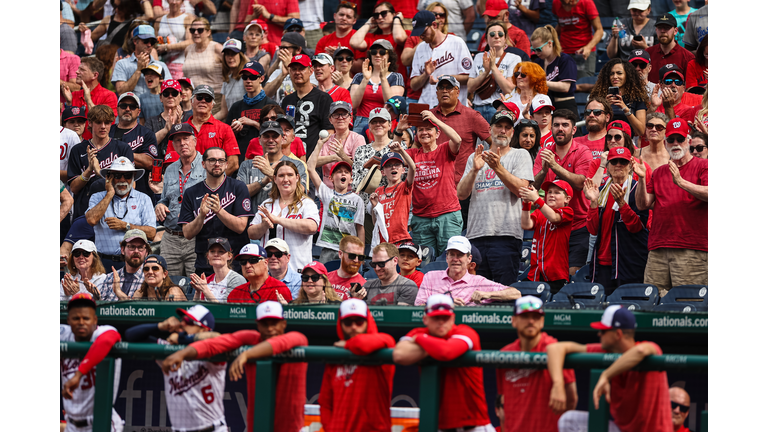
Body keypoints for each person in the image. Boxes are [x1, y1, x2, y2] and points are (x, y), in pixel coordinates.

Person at [161, 301, 308, 432]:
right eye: (265, 323)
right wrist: (182, 354)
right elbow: (215, 343)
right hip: (257, 424)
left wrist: (246, 354)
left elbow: (280, 343)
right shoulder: (251, 338)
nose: (270, 329)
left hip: (290, 426)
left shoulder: (297, 339)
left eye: (274, 323)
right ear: (258, 325)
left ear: (283, 323)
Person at [548, 305, 673, 431]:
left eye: (603, 331)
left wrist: (606, 375)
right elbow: (555, 348)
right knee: (568, 420)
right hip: (622, 430)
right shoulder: (606, 351)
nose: (599, 334)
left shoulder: (651, 349)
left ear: (618, 334)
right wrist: (558, 384)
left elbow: (641, 351)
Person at [393, 293, 493, 431]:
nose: (441, 321)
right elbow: (399, 354)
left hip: (474, 425)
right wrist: (436, 345)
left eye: (445, 317)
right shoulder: (420, 332)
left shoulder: (465, 331)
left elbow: (446, 352)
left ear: (453, 318)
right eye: (436, 317)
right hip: (440, 425)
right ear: (425, 319)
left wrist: (421, 339)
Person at [457, 110, 533, 286]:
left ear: (513, 132)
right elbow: (461, 194)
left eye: (507, 127)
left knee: (504, 293)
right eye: (499, 126)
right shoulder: (474, 157)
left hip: (506, 235)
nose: (503, 131)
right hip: (476, 235)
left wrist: (498, 167)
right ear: (490, 129)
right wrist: (474, 170)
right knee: (477, 295)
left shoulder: (520, 154)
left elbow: (522, 189)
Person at [124, 305, 225, 431]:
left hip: (212, 428)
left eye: (188, 321)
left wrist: (182, 338)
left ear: (204, 330)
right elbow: (130, 335)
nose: (182, 323)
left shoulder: (211, 352)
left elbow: (218, 337)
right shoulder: (170, 348)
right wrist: (160, 326)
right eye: (182, 319)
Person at [635, 119, 707, 296]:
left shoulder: (704, 165)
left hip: (691, 248)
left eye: (679, 139)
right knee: (650, 302)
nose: (675, 144)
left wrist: (681, 182)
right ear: (665, 142)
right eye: (671, 139)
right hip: (658, 248)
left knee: (688, 304)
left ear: (689, 141)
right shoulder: (659, 171)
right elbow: (642, 205)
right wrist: (642, 179)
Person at [497, 296, 578, 432]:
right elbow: (503, 400)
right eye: (525, 316)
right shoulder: (505, 354)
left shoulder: (555, 350)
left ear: (542, 321)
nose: (531, 321)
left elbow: (571, 400)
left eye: (536, 316)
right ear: (514, 321)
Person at [320, 299, 396, 432]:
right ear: (341, 324)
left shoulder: (381, 347)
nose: (354, 327)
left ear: (368, 322)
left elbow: (386, 341)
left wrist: (349, 344)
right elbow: (325, 403)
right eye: (348, 322)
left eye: (359, 322)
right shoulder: (335, 355)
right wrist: (331, 428)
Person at [533, 109, 592, 276]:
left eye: (565, 125)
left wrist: (555, 166)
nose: (560, 129)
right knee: (552, 274)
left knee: (574, 274)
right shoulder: (544, 152)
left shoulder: (582, 151)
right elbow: (534, 187)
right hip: (552, 226)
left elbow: (581, 183)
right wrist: (544, 171)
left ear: (573, 130)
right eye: (556, 125)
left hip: (579, 225)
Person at [584, 148, 650, 293]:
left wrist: (622, 204)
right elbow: (593, 229)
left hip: (629, 263)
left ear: (630, 165)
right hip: (602, 264)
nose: (618, 165)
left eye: (623, 161)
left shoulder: (637, 190)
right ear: (607, 166)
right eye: (614, 161)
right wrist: (594, 203)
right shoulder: (600, 191)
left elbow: (637, 227)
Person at [179, 146, 252, 275]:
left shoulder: (238, 187)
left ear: (226, 164)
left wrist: (219, 211)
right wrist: (201, 216)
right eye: (212, 160)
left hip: (235, 261)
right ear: (203, 164)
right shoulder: (191, 192)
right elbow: (187, 233)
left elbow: (241, 226)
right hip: (205, 262)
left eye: (221, 160)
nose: (217, 164)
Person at [402, 107, 464, 256]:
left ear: (438, 134)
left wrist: (435, 120)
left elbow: (457, 140)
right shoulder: (412, 153)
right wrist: (399, 131)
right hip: (421, 218)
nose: (424, 132)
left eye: (429, 129)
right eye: (421, 129)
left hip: (447, 215)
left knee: (450, 259)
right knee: (424, 262)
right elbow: (394, 154)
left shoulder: (444, 149)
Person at [60, 293, 124, 432]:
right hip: (71, 425)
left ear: (95, 320)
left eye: (86, 318)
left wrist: (78, 375)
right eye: (76, 318)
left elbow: (107, 340)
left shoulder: (104, 332)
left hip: (101, 422)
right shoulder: (64, 334)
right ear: (68, 320)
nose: (81, 322)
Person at [84, 156, 156, 271]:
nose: (122, 179)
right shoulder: (97, 197)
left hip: (133, 262)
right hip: (103, 261)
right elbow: (91, 220)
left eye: (127, 176)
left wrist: (126, 226)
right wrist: (109, 194)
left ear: (133, 177)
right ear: (109, 178)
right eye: (117, 176)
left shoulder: (144, 199)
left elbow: (152, 233)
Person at [67, 105, 136, 221]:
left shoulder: (123, 148)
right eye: (99, 122)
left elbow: (132, 185)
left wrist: (101, 172)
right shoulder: (78, 150)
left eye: (107, 122)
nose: (103, 126)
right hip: (85, 210)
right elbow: (73, 188)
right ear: (90, 123)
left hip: (116, 212)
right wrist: (89, 171)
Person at [248, 160, 320, 272]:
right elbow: (251, 233)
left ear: (297, 178)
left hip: (298, 270)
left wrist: (277, 220)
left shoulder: (307, 203)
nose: (286, 179)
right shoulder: (267, 204)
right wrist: (264, 225)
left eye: (290, 175)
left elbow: (311, 227)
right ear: (275, 179)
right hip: (268, 272)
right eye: (281, 176)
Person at [155, 123, 205, 276]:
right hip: (170, 237)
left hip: (196, 237)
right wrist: (159, 205)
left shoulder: (207, 165)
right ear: (173, 145)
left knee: (195, 285)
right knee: (168, 286)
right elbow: (165, 199)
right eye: (177, 140)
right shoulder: (170, 169)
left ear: (195, 140)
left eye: (186, 138)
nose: (182, 143)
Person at [415, 236, 521, 305]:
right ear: (447, 257)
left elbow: (516, 293)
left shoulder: (479, 282)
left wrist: (487, 294)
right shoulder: (430, 276)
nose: (455, 259)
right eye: (452, 254)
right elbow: (418, 305)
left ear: (469, 259)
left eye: (460, 255)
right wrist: (446, 303)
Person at [307, 140, 366, 262]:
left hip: (350, 249)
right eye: (339, 172)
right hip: (328, 248)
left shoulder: (357, 200)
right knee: (325, 279)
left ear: (350, 179)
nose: (342, 174)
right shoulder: (326, 193)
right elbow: (310, 168)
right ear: (331, 178)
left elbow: (360, 228)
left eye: (346, 172)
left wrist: (360, 252)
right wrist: (319, 143)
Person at [409, 10, 473, 108]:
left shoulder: (457, 42)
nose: (421, 36)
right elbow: (413, 85)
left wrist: (445, 79)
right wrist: (425, 74)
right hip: (428, 107)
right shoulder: (420, 48)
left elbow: (470, 77)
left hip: (453, 108)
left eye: (423, 32)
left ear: (434, 25)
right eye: (419, 33)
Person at [518, 180, 573, 293]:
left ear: (567, 199)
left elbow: (554, 217)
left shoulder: (568, 211)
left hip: (556, 274)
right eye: (550, 192)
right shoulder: (539, 212)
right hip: (535, 273)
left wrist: (537, 199)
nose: (552, 195)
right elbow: (526, 224)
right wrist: (526, 203)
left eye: (557, 192)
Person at [238, 121, 305, 212]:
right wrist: (264, 181)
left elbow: (301, 192)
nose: (270, 140)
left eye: (275, 136)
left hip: (284, 222)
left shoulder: (296, 164)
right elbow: (239, 193)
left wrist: (271, 174)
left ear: (282, 139)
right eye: (266, 136)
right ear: (259, 140)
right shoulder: (247, 165)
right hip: (253, 221)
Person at [281, 53, 335, 155]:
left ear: (311, 71)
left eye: (301, 69)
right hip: (290, 160)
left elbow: (329, 132)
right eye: (293, 69)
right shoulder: (287, 100)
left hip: (314, 159)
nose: (297, 72)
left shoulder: (323, 98)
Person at [468, 22, 520, 124]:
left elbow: (508, 89)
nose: (496, 36)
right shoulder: (479, 57)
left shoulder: (514, 58)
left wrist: (493, 67)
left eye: (500, 34)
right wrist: (486, 72)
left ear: (505, 38)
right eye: (492, 34)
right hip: (478, 108)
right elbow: (470, 87)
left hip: (500, 108)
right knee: (478, 140)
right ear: (486, 39)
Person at [110, 92, 160, 199]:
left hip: (140, 191)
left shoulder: (147, 133)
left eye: (132, 106)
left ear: (139, 112)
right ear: (117, 109)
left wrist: (122, 152)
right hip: (110, 190)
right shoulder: (108, 131)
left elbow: (149, 162)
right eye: (123, 106)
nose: (127, 109)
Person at [350, 40, 405, 134]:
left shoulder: (396, 77)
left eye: (382, 52)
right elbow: (353, 105)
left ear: (389, 55)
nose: (378, 55)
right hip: (361, 122)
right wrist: (365, 80)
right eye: (374, 52)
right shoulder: (359, 76)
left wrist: (383, 78)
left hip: (383, 122)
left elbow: (392, 106)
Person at [226, 61, 278, 160]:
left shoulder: (271, 105)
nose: (248, 81)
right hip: (241, 158)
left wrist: (253, 123)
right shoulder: (236, 106)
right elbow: (226, 137)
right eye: (245, 77)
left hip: (264, 158)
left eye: (253, 77)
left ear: (261, 79)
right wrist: (233, 131)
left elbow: (277, 134)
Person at [401, 2, 450, 104]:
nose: (437, 17)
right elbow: (405, 60)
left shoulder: (452, 39)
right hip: (416, 95)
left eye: (441, 15)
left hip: (440, 96)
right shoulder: (415, 38)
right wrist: (424, 38)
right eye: (434, 14)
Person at [186, 85, 240, 175]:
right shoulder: (180, 129)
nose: (203, 101)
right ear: (191, 101)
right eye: (199, 97)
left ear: (212, 105)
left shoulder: (225, 129)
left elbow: (233, 163)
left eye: (208, 99)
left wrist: (213, 181)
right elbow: (171, 162)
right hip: (185, 184)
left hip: (215, 185)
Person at [369, 143, 416, 246]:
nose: (393, 167)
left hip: (401, 238)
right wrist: (374, 206)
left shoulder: (405, 187)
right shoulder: (378, 191)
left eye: (397, 165)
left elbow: (413, 167)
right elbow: (375, 222)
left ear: (403, 170)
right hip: (383, 240)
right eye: (389, 165)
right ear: (383, 172)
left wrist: (401, 151)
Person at [61, 57, 118, 141]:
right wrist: (69, 104)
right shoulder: (74, 95)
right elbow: (64, 126)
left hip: (97, 146)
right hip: (75, 145)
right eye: (78, 69)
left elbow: (102, 123)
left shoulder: (109, 96)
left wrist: (88, 99)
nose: (77, 72)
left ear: (95, 75)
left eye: (82, 70)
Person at [590, 59, 649, 135]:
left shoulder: (637, 98)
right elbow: (592, 127)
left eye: (619, 73)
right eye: (611, 74)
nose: (615, 76)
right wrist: (604, 107)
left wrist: (626, 109)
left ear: (627, 75)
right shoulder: (599, 98)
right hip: (604, 139)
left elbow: (641, 131)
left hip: (627, 141)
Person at [530, 26, 579, 117]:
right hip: (545, 107)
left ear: (549, 43)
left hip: (565, 106)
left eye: (538, 49)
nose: (536, 53)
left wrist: (541, 82)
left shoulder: (565, 60)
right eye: (533, 50)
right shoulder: (538, 62)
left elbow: (565, 87)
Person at [112, 25, 172, 96]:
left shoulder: (161, 66)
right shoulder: (122, 64)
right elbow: (121, 92)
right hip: (133, 106)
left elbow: (169, 91)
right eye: (146, 41)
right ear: (135, 41)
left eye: (152, 42)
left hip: (155, 105)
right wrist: (138, 70)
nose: (149, 45)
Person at [318, 101, 365, 190]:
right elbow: (313, 162)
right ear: (330, 120)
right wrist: (335, 157)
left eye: (344, 114)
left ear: (350, 118)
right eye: (336, 114)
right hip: (328, 192)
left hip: (350, 192)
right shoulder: (326, 139)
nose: (340, 118)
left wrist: (342, 155)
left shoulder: (358, 138)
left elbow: (359, 169)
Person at [588, 120, 651, 186]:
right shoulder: (597, 163)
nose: (612, 141)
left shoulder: (640, 166)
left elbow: (647, 194)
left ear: (626, 140)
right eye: (609, 137)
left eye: (617, 137)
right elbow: (590, 192)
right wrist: (602, 166)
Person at [551, 0, 603, 78]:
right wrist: (549, 39)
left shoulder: (586, 2)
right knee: (563, 83)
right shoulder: (556, 3)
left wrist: (588, 47)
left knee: (583, 83)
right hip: (563, 51)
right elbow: (561, 23)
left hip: (583, 52)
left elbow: (599, 30)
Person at [182, 18, 225, 112]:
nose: (196, 33)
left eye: (200, 30)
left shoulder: (216, 48)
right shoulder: (188, 49)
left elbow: (232, 67)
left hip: (213, 98)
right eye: (192, 30)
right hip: (193, 99)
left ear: (208, 32)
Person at [227, 244, 294, 303]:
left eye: (253, 260)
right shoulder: (236, 293)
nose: (247, 265)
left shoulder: (279, 289)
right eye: (243, 262)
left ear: (266, 262)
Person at [97, 229, 149, 301]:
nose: (136, 251)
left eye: (140, 247)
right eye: (132, 247)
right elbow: (101, 309)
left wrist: (118, 291)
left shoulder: (150, 278)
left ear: (146, 252)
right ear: (122, 250)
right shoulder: (110, 278)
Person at [145, 79, 193, 156]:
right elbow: (147, 144)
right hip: (159, 164)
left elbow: (193, 143)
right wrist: (165, 130)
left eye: (174, 93)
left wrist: (179, 125)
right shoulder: (151, 120)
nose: (170, 96)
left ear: (180, 97)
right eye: (166, 93)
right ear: (161, 98)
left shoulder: (190, 118)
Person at [646, 13, 695, 84]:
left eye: (667, 27)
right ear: (656, 30)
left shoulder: (688, 57)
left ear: (676, 31)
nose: (662, 31)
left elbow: (689, 86)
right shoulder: (648, 53)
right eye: (660, 28)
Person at [315, 2, 365, 69]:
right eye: (341, 15)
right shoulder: (323, 40)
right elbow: (316, 66)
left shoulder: (359, 39)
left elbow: (361, 67)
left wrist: (339, 56)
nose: (344, 18)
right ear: (335, 16)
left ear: (354, 21)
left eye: (348, 17)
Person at [154, 0, 195, 79]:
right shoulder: (159, 21)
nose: (174, 2)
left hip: (181, 63)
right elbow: (154, 43)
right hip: (163, 63)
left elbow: (190, 42)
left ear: (182, 2)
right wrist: (159, 46)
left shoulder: (187, 18)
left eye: (177, 0)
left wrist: (167, 47)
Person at [215, 39, 248, 121]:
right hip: (231, 123)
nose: (230, 57)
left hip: (246, 123)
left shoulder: (247, 77)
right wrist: (206, 121)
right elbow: (224, 112)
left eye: (233, 54)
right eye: (227, 54)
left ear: (241, 55)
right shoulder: (227, 80)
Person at [326, 236, 368, 300]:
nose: (356, 260)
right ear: (340, 254)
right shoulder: (325, 279)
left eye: (360, 257)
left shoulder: (364, 287)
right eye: (352, 256)